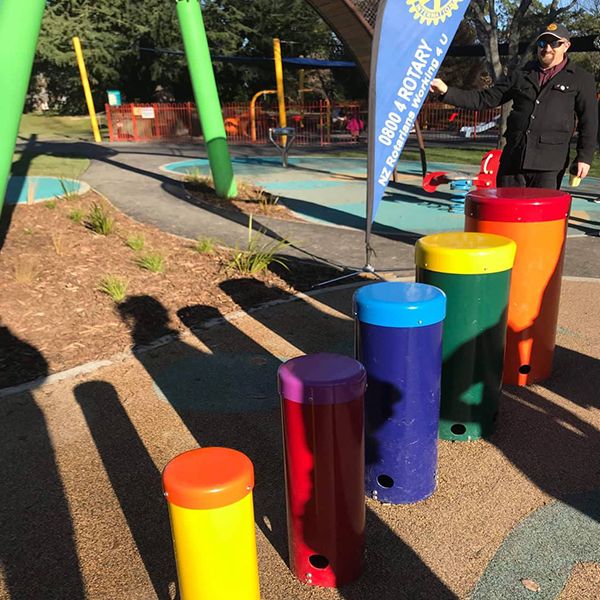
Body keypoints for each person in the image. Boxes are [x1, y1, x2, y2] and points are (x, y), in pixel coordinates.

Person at [430, 23, 598, 189]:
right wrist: (446, 91)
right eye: (542, 43)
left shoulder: (581, 79)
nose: (547, 48)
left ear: (566, 46)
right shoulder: (522, 74)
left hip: (549, 165)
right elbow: (485, 99)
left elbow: (589, 122)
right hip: (513, 161)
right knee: (506, 214)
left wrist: (584, 157)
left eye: (554, 43)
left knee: (541, 216)